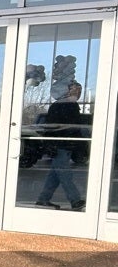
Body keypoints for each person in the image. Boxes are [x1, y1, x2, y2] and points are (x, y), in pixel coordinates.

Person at [35, 81, 85, 211]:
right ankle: (75, 200)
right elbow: (65, 127)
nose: (78, 93)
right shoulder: (65, 105)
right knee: (64, 173)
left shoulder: (63, 105)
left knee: (55, 175)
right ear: (67, 91)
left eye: (79, 90)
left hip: (62, 143)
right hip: (61, 144)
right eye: (75, 90)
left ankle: (43, 199)